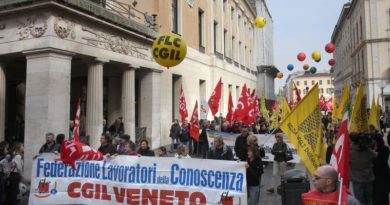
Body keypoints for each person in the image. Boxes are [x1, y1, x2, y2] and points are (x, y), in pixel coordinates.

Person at [349, 133, 376, 205]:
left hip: (357, 180)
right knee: (369, 200)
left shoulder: (350, 151)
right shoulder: (368, 151)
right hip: (368, 178)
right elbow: (375, 156)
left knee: (359, 200)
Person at [372, 135, 390, 205]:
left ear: (376, 141)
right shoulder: (372, 148)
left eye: (373, 140)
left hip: (383, 176)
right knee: (376, 196)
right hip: (376, 177)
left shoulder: (385, 149)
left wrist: (374, 153)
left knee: (383, 195)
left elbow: (380, 162)